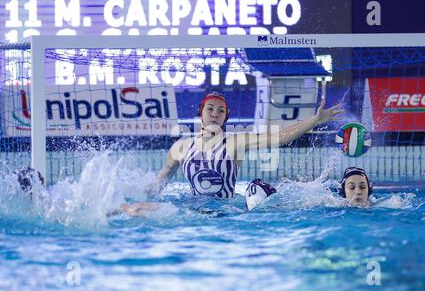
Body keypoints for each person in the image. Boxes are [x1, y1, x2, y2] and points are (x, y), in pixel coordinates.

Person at [121, 91, 343, 216]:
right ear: (201, 113)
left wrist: (315, 119)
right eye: (210, 109)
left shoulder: (235, 143)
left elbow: (281, 137)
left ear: (226, 117)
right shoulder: (180, 147)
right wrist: (135, 190)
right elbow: (158, 185)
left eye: (221, 110)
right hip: (191, 210)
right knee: (136, 208)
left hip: (226, 213)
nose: (215, 114)